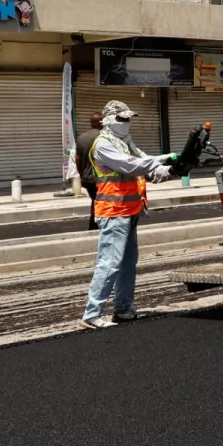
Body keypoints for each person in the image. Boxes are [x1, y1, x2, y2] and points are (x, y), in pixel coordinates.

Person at [80, 101, 177, 329]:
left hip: (130, 211)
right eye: (122, 119)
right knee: (109, 263)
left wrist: (175, 169)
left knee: (127, 264)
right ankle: (92, 314)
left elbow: (148, 170)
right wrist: (165, 157)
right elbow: (132, 166)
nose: (127, 123)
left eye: (129, 119)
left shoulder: (125, 143)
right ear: (109, 120)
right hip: (113, 212)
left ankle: (122, 309)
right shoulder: (103, 145)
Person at [75, 112, 104, 231]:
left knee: (96, 201)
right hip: (101, 178)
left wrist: (81, 175)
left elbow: (77, 159)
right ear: (101, 122)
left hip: (87, 178)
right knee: (101, 202)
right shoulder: (105, 137)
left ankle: (94, 226)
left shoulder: (82, 138)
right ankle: (96, 226)